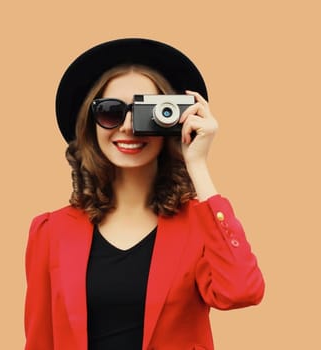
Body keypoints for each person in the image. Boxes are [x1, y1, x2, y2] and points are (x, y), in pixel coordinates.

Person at [25, 38, 265, 350]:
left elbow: (242, 291)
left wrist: (198, 165)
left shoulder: (201, 225)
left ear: (173, 119)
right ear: (90, 123)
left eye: (146, 113)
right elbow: (40, 342)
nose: (128, 126)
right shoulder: (50, 232)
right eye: (110, 112)